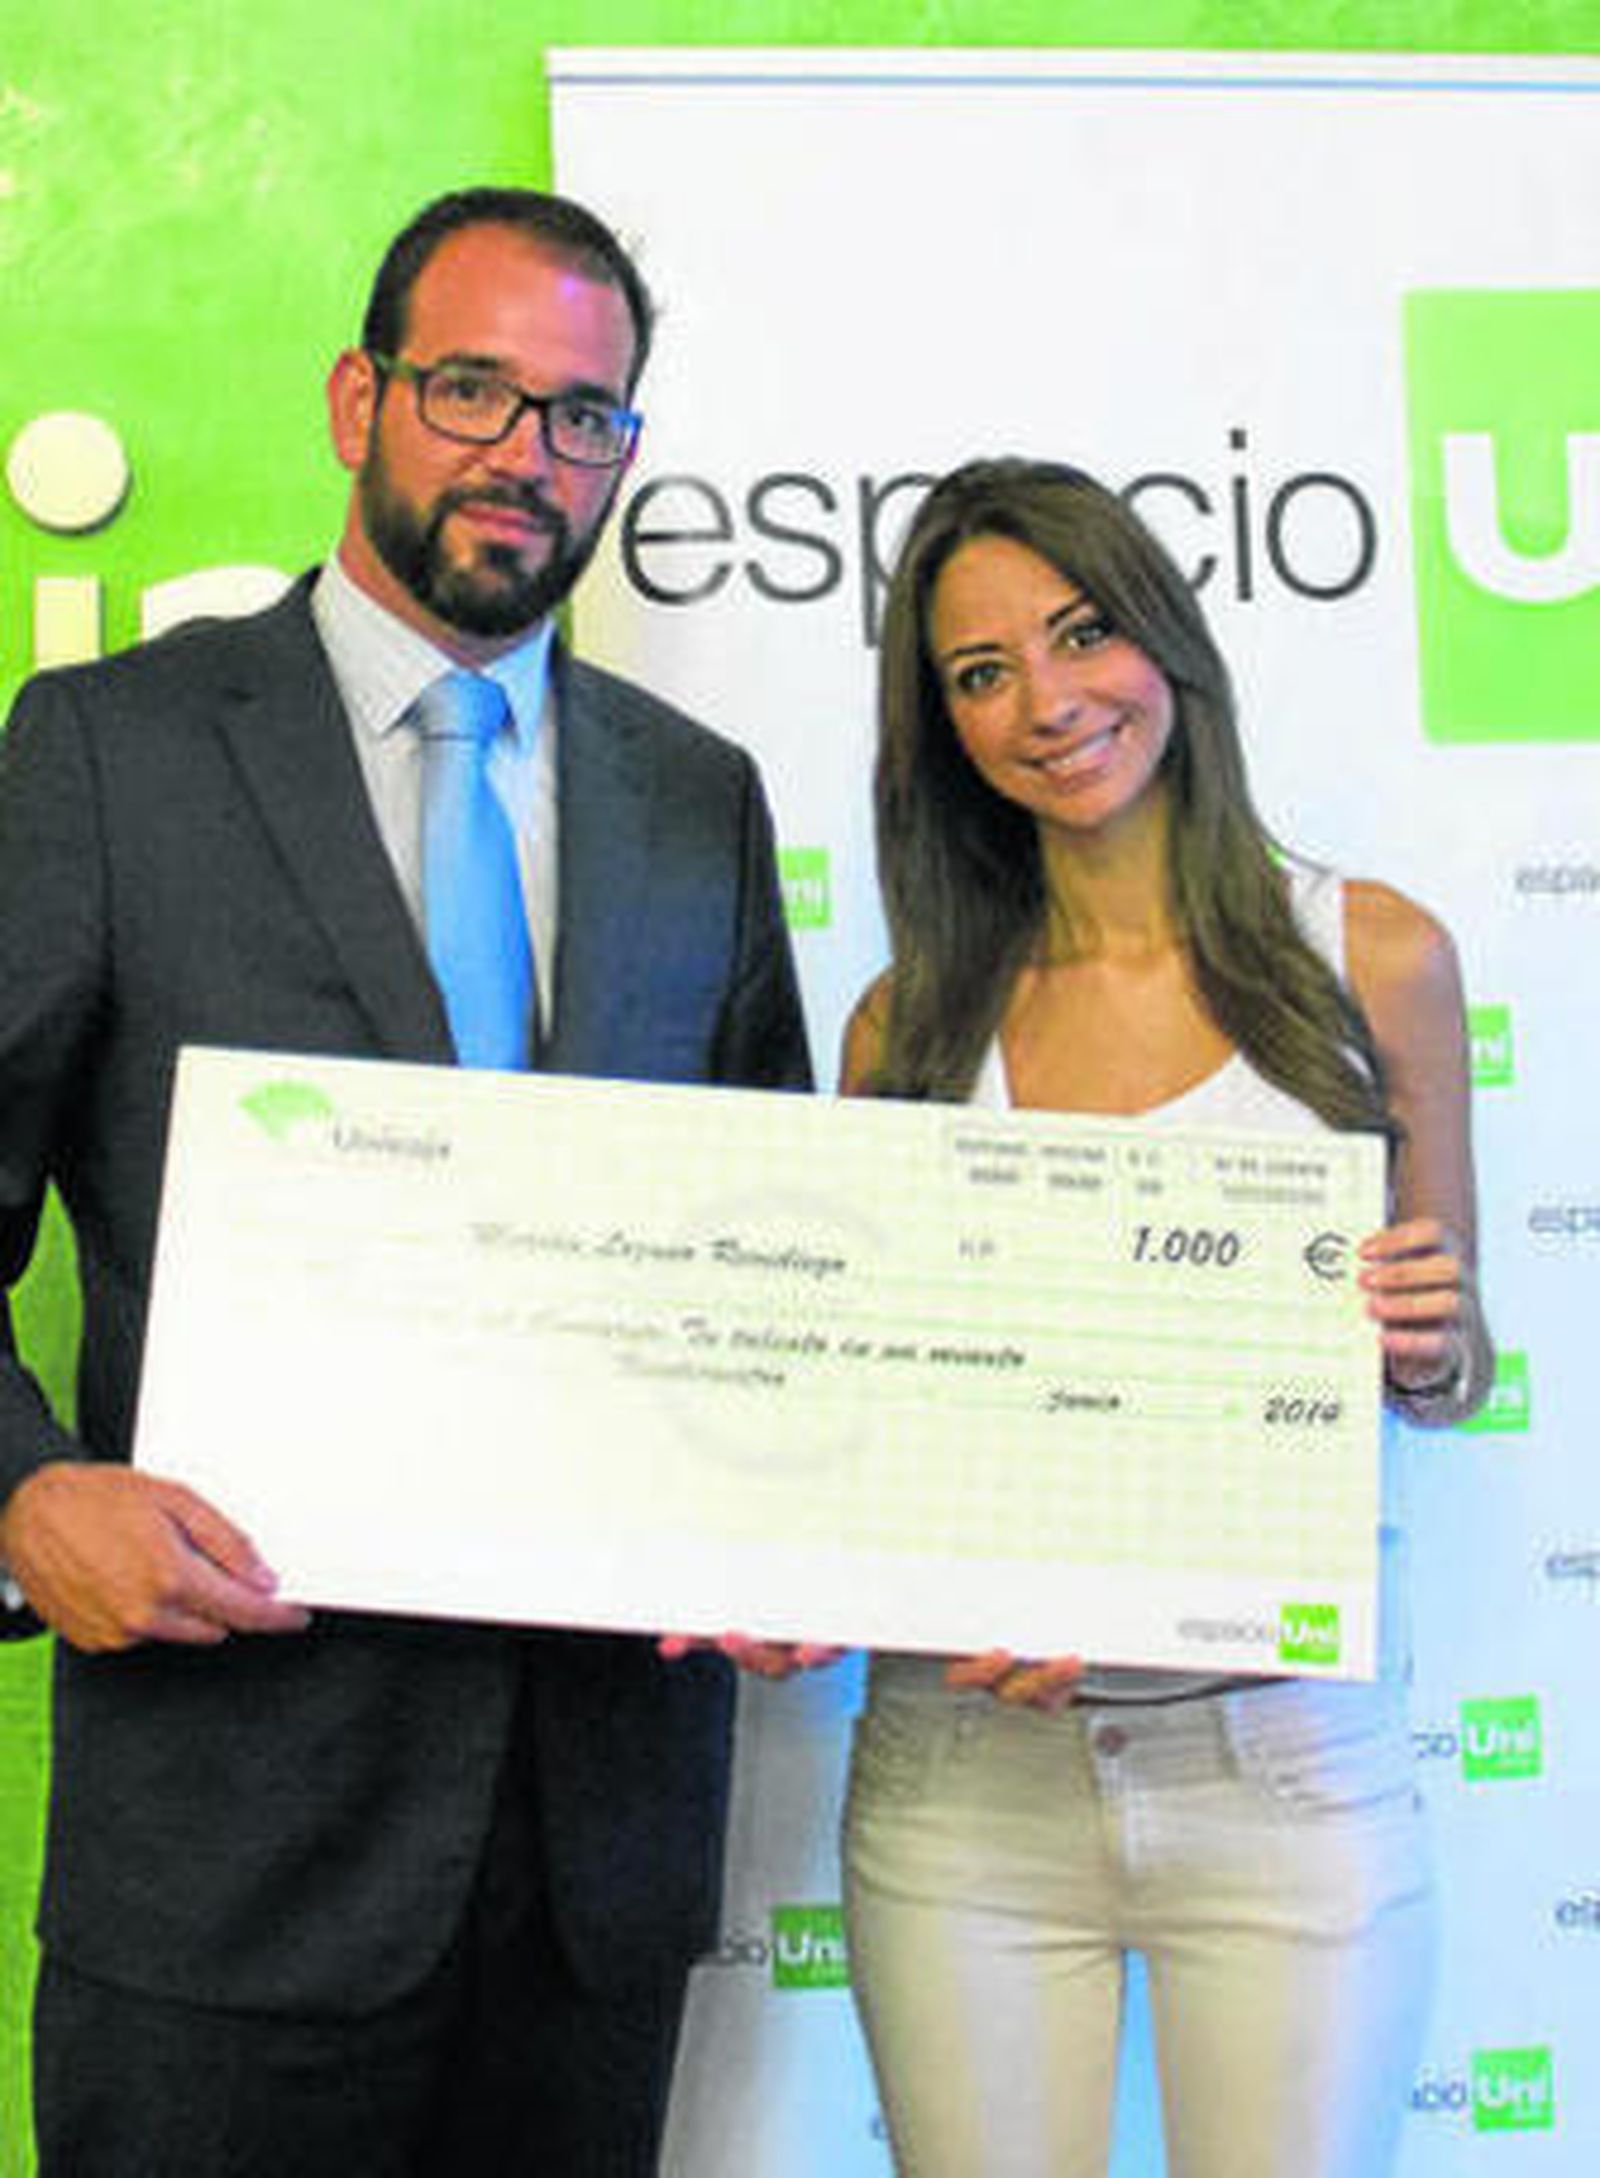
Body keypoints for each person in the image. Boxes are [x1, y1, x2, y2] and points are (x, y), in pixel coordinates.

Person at [0, 186, 809, 2176]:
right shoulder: (109, 752)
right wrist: (21, 1497)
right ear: (361, 396)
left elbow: (775, 1242)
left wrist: (816, 1512)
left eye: (583, 414)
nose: (527, 455)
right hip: (231, 1854)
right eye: (473, 390)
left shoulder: (693, 797)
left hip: (588, 1866)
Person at [833, 458, 1489, 2177]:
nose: (1047, 703)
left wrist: (1430, 1334)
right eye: (980, 674)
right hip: (968, 1775)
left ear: (1169, 644)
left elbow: (1451, 1364)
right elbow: (886, 1424)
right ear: (941, 724)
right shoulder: (905, 1023)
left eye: (1081, 632)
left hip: (1281, 1761)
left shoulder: (1376, 955)